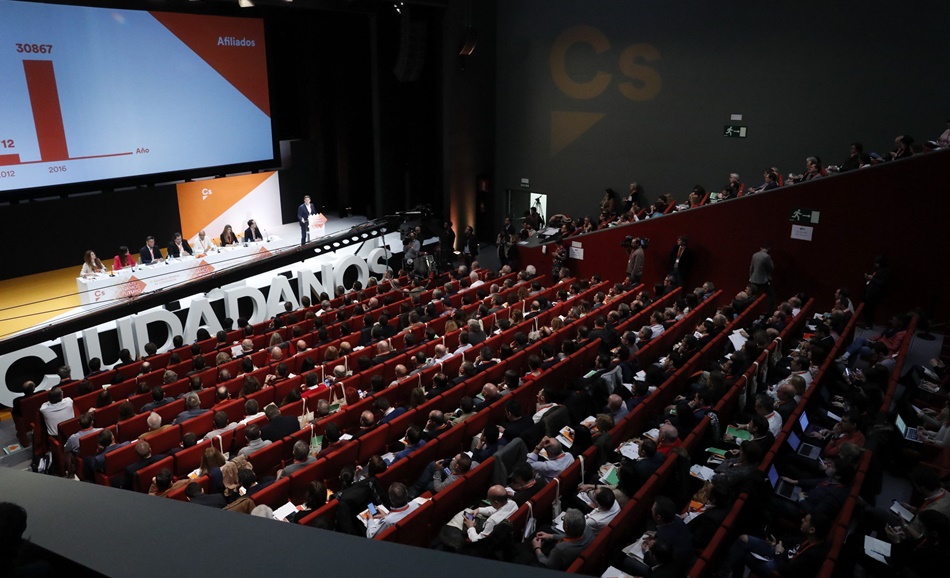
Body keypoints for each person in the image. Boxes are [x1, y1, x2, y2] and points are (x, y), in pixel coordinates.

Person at [748, 243, 775, 309]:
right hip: (763, 280)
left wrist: (750, 277)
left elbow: (751, 267)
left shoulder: (755, 255)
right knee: (772, 296)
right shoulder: (767, 256)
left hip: (753, 278)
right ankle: (769, 311)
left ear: (760, 247)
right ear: (768, 248)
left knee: (752, 296)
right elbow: (771, 267)